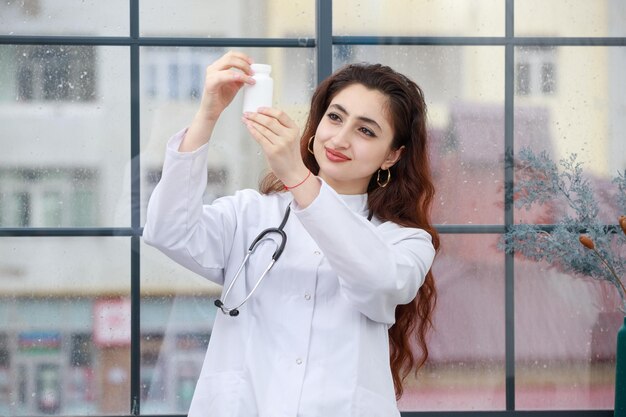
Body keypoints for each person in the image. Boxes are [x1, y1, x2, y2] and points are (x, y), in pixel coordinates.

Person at [143, 51, 439, 417]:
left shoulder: (404, 241)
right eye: (335, 117)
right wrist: (208, 113)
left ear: (392, 156)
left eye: (365, 130)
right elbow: (167, 230)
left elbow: (377, 281)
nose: (340, 139)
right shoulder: (251, 214)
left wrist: (298, 177)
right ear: (316, 124)